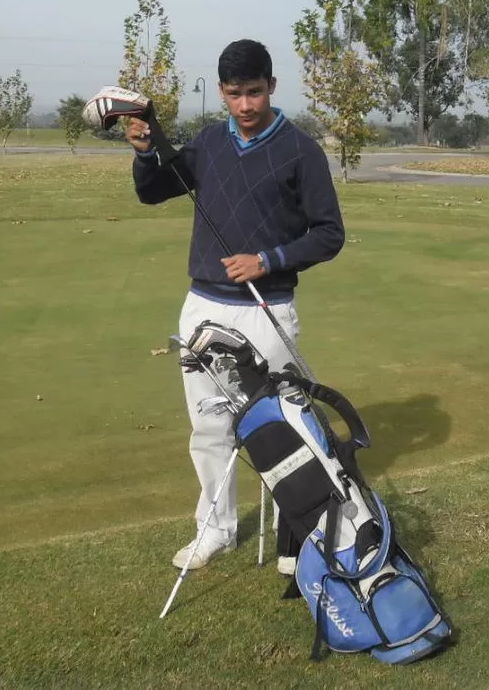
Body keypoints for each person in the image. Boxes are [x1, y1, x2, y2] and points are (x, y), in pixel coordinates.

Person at [126, 39, 345, 573]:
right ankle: (216, 529)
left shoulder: (301, 151)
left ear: (271, 86)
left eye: (253, 92)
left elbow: (329, 234)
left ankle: (297, 532)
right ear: (221, 93)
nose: (245, 106)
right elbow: (154, 191)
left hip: (266, 307)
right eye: (233, 94)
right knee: (209, 427)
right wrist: (143, 151)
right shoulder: (207, 143)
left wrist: (267, 259)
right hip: (202, 305)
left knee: (283, 424)